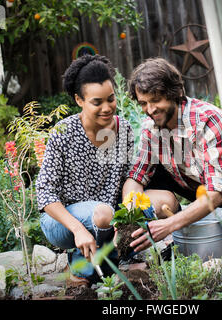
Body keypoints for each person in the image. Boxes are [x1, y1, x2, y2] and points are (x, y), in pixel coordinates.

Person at [123, 57, 222, 253]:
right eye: (143, 103)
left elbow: (216, 192)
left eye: (156, 100)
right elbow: (137, 176)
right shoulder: (151, 128)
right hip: (201, 183)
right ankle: (189, 231)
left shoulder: (207, 120)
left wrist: (170, 225)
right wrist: (130, 213)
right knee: (142, 182)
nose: (150, 110)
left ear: (175, 93)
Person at [36, 54, 134, 286]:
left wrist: (130, 212)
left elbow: (130, 177)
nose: (107, 108)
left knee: (153, 202)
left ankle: (107, 258)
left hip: (106, 219)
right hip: (63, 222)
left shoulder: (124, 129)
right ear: (79, 100)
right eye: (97, 102)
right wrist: (79, 229)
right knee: (102, 213)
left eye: (111, 99)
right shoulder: (63, 132)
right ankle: (82, 268)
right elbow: (45, 193)